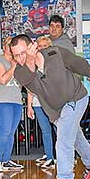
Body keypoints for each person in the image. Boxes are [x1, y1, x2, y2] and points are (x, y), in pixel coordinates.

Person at [10, 34, 90, 179]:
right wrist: (30, 61)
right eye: (16, 55)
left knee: (63, 140)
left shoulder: (55, 53)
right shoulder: (20, 73)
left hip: (75, 98)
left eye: (23, 52)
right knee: (75, 138)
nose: (21, 58)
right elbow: (30, 78)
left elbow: (76, 62)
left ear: (33, 46)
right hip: (56, 110)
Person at [0, 36, 24, 172]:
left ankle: (6, 160)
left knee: (11, 132)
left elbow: (21, 83)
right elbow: (3, 80)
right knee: (4, 130)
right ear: (4, 47)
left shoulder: (16, 62)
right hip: (2, 101)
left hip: (16, 101)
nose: (11, 47)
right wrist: (13, 67)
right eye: (9, 45)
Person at [27, 36, 56, 169]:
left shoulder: (55, 64)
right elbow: (30, 87)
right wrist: (29, 106)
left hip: (53, 103)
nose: (42, 48)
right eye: (40, 46)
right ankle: (50, 157)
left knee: (59, 130)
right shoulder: (32, 64)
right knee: (45, 131)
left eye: (45, 46)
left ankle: (67, 157)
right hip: (38, 103)